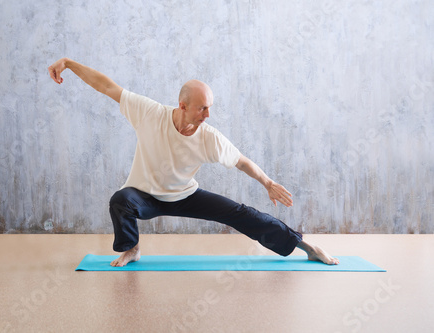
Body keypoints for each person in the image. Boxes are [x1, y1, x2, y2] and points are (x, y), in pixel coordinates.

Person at [48, 58, 339, 267]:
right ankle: (132, 248)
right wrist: (70, 64)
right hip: (144, 196)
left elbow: (240, 161)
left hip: (186, 195)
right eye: (203, 108)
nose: (208, 115)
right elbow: (106, 86)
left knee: (242, 213)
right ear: (183, 106)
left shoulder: (208, 136)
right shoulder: (149, 113)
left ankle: (305, 246)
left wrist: (267, 182)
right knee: (120, 200)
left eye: (210, 108)